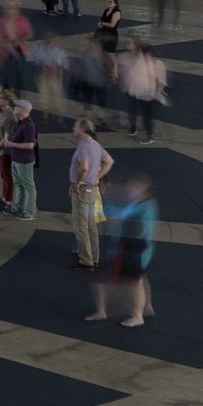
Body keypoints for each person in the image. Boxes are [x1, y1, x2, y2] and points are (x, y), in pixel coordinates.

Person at [87, 176, 158, 329]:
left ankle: (137, 315)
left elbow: (121, 215)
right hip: (137, 246)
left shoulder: (141, 206)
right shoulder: (145, 204)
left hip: (135, 247)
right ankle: (146, 308)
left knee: (134, 280)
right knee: (139, 277)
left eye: (134, 189)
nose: (131, 192)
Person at [68, 118, 114, 270]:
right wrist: (96, 177)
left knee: (81, 226)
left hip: (83, 191)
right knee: (91, 226)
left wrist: (77, 183)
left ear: (82, 129)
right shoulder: (96, 144)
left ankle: (86, 260)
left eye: (75, 126)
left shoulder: (83, 147)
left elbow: (85, 167)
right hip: (93, 189)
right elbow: (109, 161)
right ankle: (94, 257)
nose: (73, 128)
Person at [119, 37, 168, 144]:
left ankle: (149, 135)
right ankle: (141, 131)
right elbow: (131, 75)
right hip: (138, 93)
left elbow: (161, 81)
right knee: (139, 113)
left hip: (147, 94)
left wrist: (157, 93)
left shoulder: (156, 63)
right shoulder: (140, 61)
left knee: (147, 115)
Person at [0, 97, 39, 220]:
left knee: (28, 186)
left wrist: (12, 144)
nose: (13, 109)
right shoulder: (22, 123)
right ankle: (18, 208)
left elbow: (31, 144)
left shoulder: (28, 126)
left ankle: (29, 212)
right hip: (17, 160)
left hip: (24, 161)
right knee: (19, 185)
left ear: (22, 109)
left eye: (15, 107)